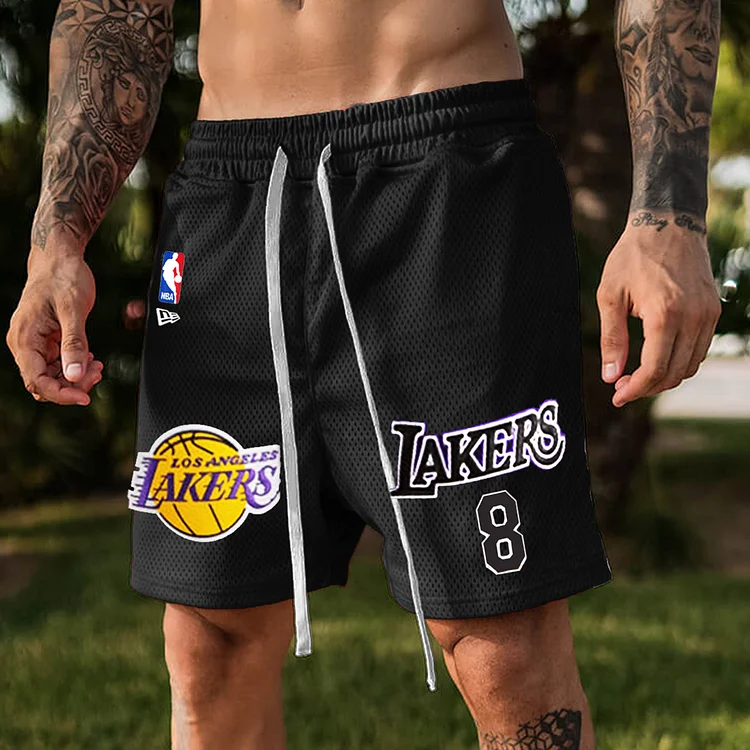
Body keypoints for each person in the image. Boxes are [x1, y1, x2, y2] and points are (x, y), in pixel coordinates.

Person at [5, 0, 722, 748]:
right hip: (229, 196)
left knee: (502, 650)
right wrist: (57, 241)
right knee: (209, 638)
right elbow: (115, 14)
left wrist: (669, 216)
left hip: (446, 170)